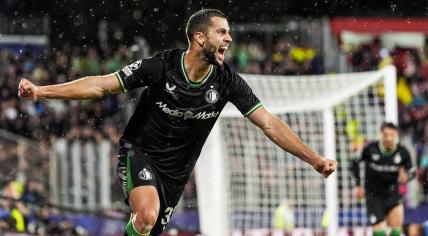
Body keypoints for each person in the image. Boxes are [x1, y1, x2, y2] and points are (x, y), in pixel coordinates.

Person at [18, 9, 336, 236]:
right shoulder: (161, 66)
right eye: (221, 31)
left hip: (177, 173)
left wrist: (315, 160)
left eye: (228, 32)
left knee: (147, 226)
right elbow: (101, 85)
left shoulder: (228, 81)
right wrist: (41, 91)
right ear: (199, 37)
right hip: (139, 152)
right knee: (146, 215)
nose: (229, 37)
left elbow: (268, 123)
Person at [351, 122, 416, 236]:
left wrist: (406, 177)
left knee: (396, 230)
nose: (389, 138)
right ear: (381, 134)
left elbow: (412, 172)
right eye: (386, 135)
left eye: (392, 135)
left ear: (396, 135)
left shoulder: (402, 152)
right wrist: (358, 185)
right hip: (374, 196)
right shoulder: (370, 149)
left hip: (392, 194)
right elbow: (354, 162)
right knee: (380, 232)